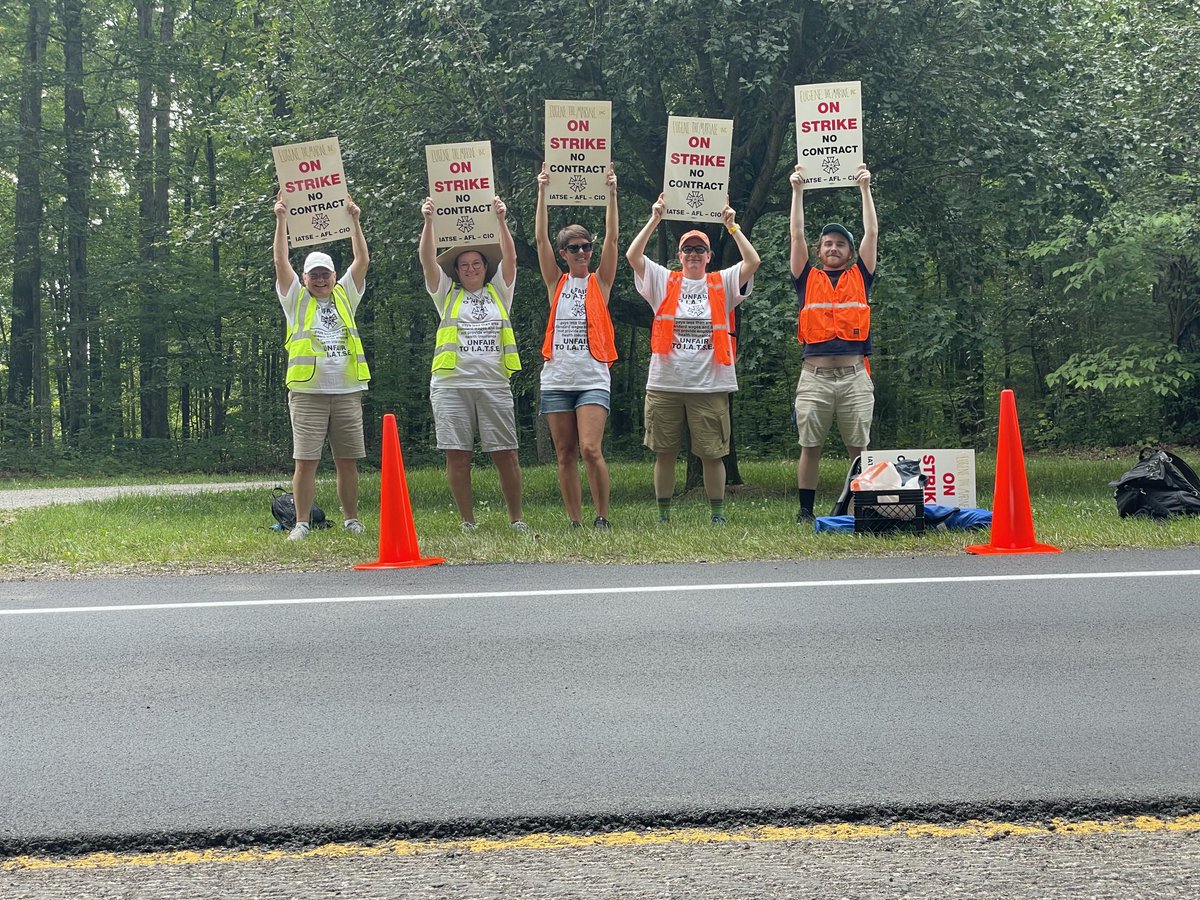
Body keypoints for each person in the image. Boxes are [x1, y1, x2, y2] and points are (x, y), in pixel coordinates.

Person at [626, 195, 760, 524]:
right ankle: (664, 516)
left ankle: (717, 515)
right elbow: (633, 255)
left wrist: (732, 226)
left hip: (711, 384)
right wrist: (655, 217)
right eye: (688, 249)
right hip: (665, 383)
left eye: (700, 249)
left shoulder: (722, 282)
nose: (694, 254)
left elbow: (753, 262)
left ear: (709, 256)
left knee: (713, 454)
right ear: (679, 255)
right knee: (665, 452)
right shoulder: (663, 280)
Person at [418, 194, 527, 531]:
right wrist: (429, 222)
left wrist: (501, 220)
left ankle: (516, 519)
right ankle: (468, 521)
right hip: (452, 384)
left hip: (493, 383)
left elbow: (510, 257)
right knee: (457, 455)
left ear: (485, 268)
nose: (470, 269)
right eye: (464, 266)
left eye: (476, 264)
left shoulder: (500, 291)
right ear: (457, 271)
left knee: (506, 453)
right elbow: (426, 260)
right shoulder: (446, 294)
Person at [272, 190, 371, 541]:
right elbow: (281, 264)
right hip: (308, 392)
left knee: (347, 461)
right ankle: (300, 523)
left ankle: (351, 519)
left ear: (332, 275)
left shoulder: (345, 294)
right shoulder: (295, 300)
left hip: (346, 390)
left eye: (325, 273)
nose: (320, 279)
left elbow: (361, 261)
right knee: (306, 462)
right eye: (313, 274)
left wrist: (355, 221)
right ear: (304, 278)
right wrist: (281, 218)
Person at [789, 161, 878, 522]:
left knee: (859, 448)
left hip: (855, 376)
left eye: (840, 244)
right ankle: (805, 512)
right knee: (810, 446)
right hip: (815, 377)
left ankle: (859, 508)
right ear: (819, 249)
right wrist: (797, 192)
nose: (833, 248)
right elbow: (796, 235)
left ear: (850, 252)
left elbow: (871, 233)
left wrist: (865, 189)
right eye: (827, 243)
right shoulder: (805, 277)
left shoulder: (862, 275)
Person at [534, 161, 619, 529]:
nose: (582, 252)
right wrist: (542, 192)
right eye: (574, 247)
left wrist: (612, 194)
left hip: (592, 377)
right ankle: (575, 520)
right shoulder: (557, 283)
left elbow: (614, 240)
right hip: (556, 379)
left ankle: (602, 516)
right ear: (563, 253)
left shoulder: (600, 282)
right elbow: (539, 240)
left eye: (586, 246)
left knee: (589, 449)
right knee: (565, 454)